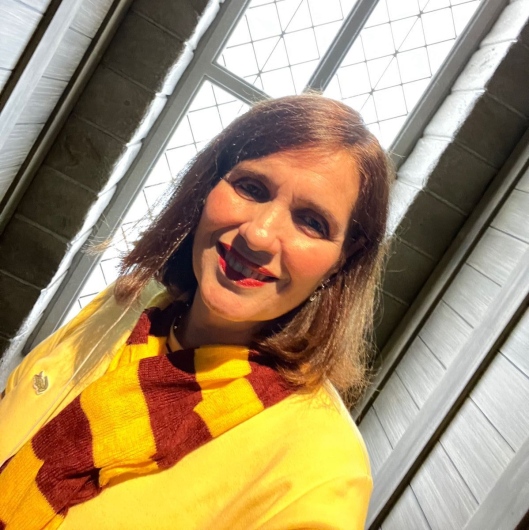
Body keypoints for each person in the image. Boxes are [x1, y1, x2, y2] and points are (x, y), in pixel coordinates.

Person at [0, 94, 391, 529]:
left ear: (342, 259)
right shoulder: (123, 307)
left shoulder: (321, 470)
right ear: (210, 185)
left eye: (311, 222)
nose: (259, 235)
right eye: (251, 188)